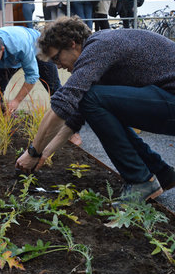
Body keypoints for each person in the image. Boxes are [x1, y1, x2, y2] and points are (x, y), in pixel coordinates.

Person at [16, 16, 175, 203]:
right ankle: (160, 172)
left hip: (170, 98)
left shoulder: (100, 47)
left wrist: (33, 151)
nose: (58, 65)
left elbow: (62, 105)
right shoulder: (100, 52)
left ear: (72, 44)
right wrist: (44, 153)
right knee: (93, 100)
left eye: (57, 58)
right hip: (165, 99)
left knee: (91, 98)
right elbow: (76, 115)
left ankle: (140, 181)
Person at [0, 26, 62, 120]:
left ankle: (66, 118)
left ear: (2, 50)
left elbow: (32, 75)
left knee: (53, 87)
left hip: (37, 48)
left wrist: (16, 101)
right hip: (10, 57)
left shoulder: (19, 45)